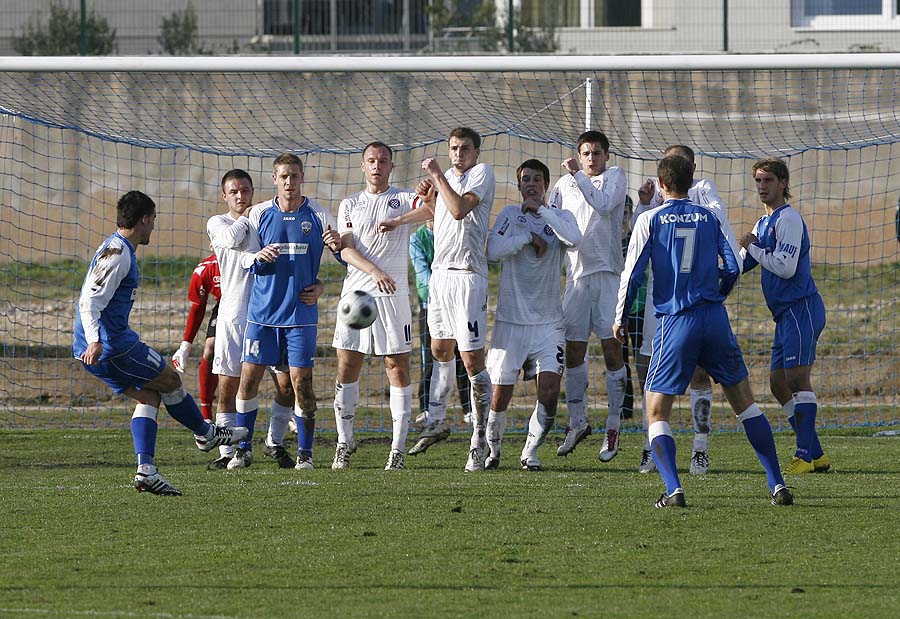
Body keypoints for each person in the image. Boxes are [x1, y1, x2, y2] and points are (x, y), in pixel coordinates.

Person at [614, 156, 792, 508]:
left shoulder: (651, 219)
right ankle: (778, 485)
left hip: (676, 321)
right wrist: (715, 294)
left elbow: (632, 273)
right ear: (691, 181)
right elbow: (733, 265)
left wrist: (619, 317)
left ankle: (673, 490)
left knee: (656, 412)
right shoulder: (709, 217)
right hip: (714, 318)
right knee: (746, 405)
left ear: (662, 185)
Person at [73, 190, 246, 496]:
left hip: (89, 348)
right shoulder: (119, 254)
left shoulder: (116, 247)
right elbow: (89, 301)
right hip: (113, 345)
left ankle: (146, 471)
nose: (154, 226)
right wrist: (96, 340)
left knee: (150, 397)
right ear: (144, 219)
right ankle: (207, 435)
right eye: (153, 220)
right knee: (170, 379)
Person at [379, 126, 495, 472]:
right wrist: (399, 220)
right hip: (441, 275)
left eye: (465, 149)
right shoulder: (446, 179)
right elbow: (437, 212)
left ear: (476, 152)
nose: (459, 154)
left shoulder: (481, 174)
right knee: (439, 350)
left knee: (471, 358)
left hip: (468, 277)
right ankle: (439, 419)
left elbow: (459, 209)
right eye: (454, 148)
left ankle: (479, 438)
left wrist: (437, 176)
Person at [633, 144, 742, 475]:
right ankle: (651, 448)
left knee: (698, 372)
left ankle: (699, 448)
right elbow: (637, 239)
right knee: (650, 375)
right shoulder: (655, 196)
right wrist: (642, 201)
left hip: (693, 302)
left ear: (692, 167)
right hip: (660, 300)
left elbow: (720, 224)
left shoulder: (704, 192)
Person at [235, 153, 342, 470]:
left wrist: (324, 278)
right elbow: (243, 259)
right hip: (262, 315)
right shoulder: (259, 214)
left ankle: (305, 454)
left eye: (294, 176)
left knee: (300, 385)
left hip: (300, 318)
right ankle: (243, 449)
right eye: (284, 177)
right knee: (249, 381)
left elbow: (342, 256)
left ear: (302, 177)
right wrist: (257, 257)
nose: (289, 182)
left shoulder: (320, 215)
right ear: (274, 179)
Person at [485, 159, 581, 470]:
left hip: (548, 323)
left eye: (537, 179)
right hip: (510, 322)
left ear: (546, 185)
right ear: (518, 185)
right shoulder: (510, 216)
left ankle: (530, 452)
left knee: (550, 391)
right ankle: (492, 450)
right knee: (499, 395)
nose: (531, 184)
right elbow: (493, 251)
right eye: (525, 179)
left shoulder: (559, 217)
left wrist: (542, 213)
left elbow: (574, 239)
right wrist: (527, 238)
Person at [330, 142, 420, 471]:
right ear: (362, 166)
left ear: (391, 165)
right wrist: (374, 271)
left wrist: (399, 220)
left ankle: (397, 449)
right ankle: (344, 441)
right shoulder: (350, 203)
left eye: (383, 160)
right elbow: (347, 250)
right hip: (357, 296)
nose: (377, 165)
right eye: (371, 160)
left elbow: (434, 210)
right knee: (347, 366)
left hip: (393, 295)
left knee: (396, 367)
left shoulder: (404, 197)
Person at [740, 157, 830, 474]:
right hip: (784, 315)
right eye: (759, 182)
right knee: (778, 383)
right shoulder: (762, 223)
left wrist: (752, 249)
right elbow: (742, 261)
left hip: (802, 308)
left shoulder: (788, 220)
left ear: (783, 184)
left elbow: (786, 267)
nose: (762, 187)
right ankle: (817, 453)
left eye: (768, 181)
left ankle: (803, 455)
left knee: (796, 378)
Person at [207, 169, 296, 470]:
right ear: (224, 196)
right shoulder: (218, 223)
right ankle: (227, 451)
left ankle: (274, 441)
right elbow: (232, 240)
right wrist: (247, 215)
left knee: (285, 385)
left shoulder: (263, 220)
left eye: (245, 191)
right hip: (233, 315)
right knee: (229, 387)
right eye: (234, 192)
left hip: (268, 313)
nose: (240, 196)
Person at [549, 130, 629, 462]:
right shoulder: (563, 184)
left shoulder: (615, 177)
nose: (591, 158)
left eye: (597, 152)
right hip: (577, 279)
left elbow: (604, 205)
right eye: (586, 153)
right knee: (573, 352)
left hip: (608, 276)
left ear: (607, 155)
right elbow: (551, 218)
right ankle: (578, 422)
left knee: (612, 349)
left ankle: (613, 427)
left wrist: (577, 175)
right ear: (579, 154)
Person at [409, 220, 472, 429]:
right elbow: (422, 276)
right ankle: (425, 408)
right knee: (430, 356)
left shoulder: (454, 231)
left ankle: (469, 409)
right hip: (431, 305)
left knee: (464, 355)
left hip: (458, 303)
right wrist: (443, 292)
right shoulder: (417, 238)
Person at [171, 253, 220, 424]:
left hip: (258, 305)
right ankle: (206, 415)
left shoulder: (248, 258)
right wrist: (185, 346)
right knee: (211, 348)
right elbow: (198, 306)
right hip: (226, 305)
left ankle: (287, 408)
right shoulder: (206, 268)